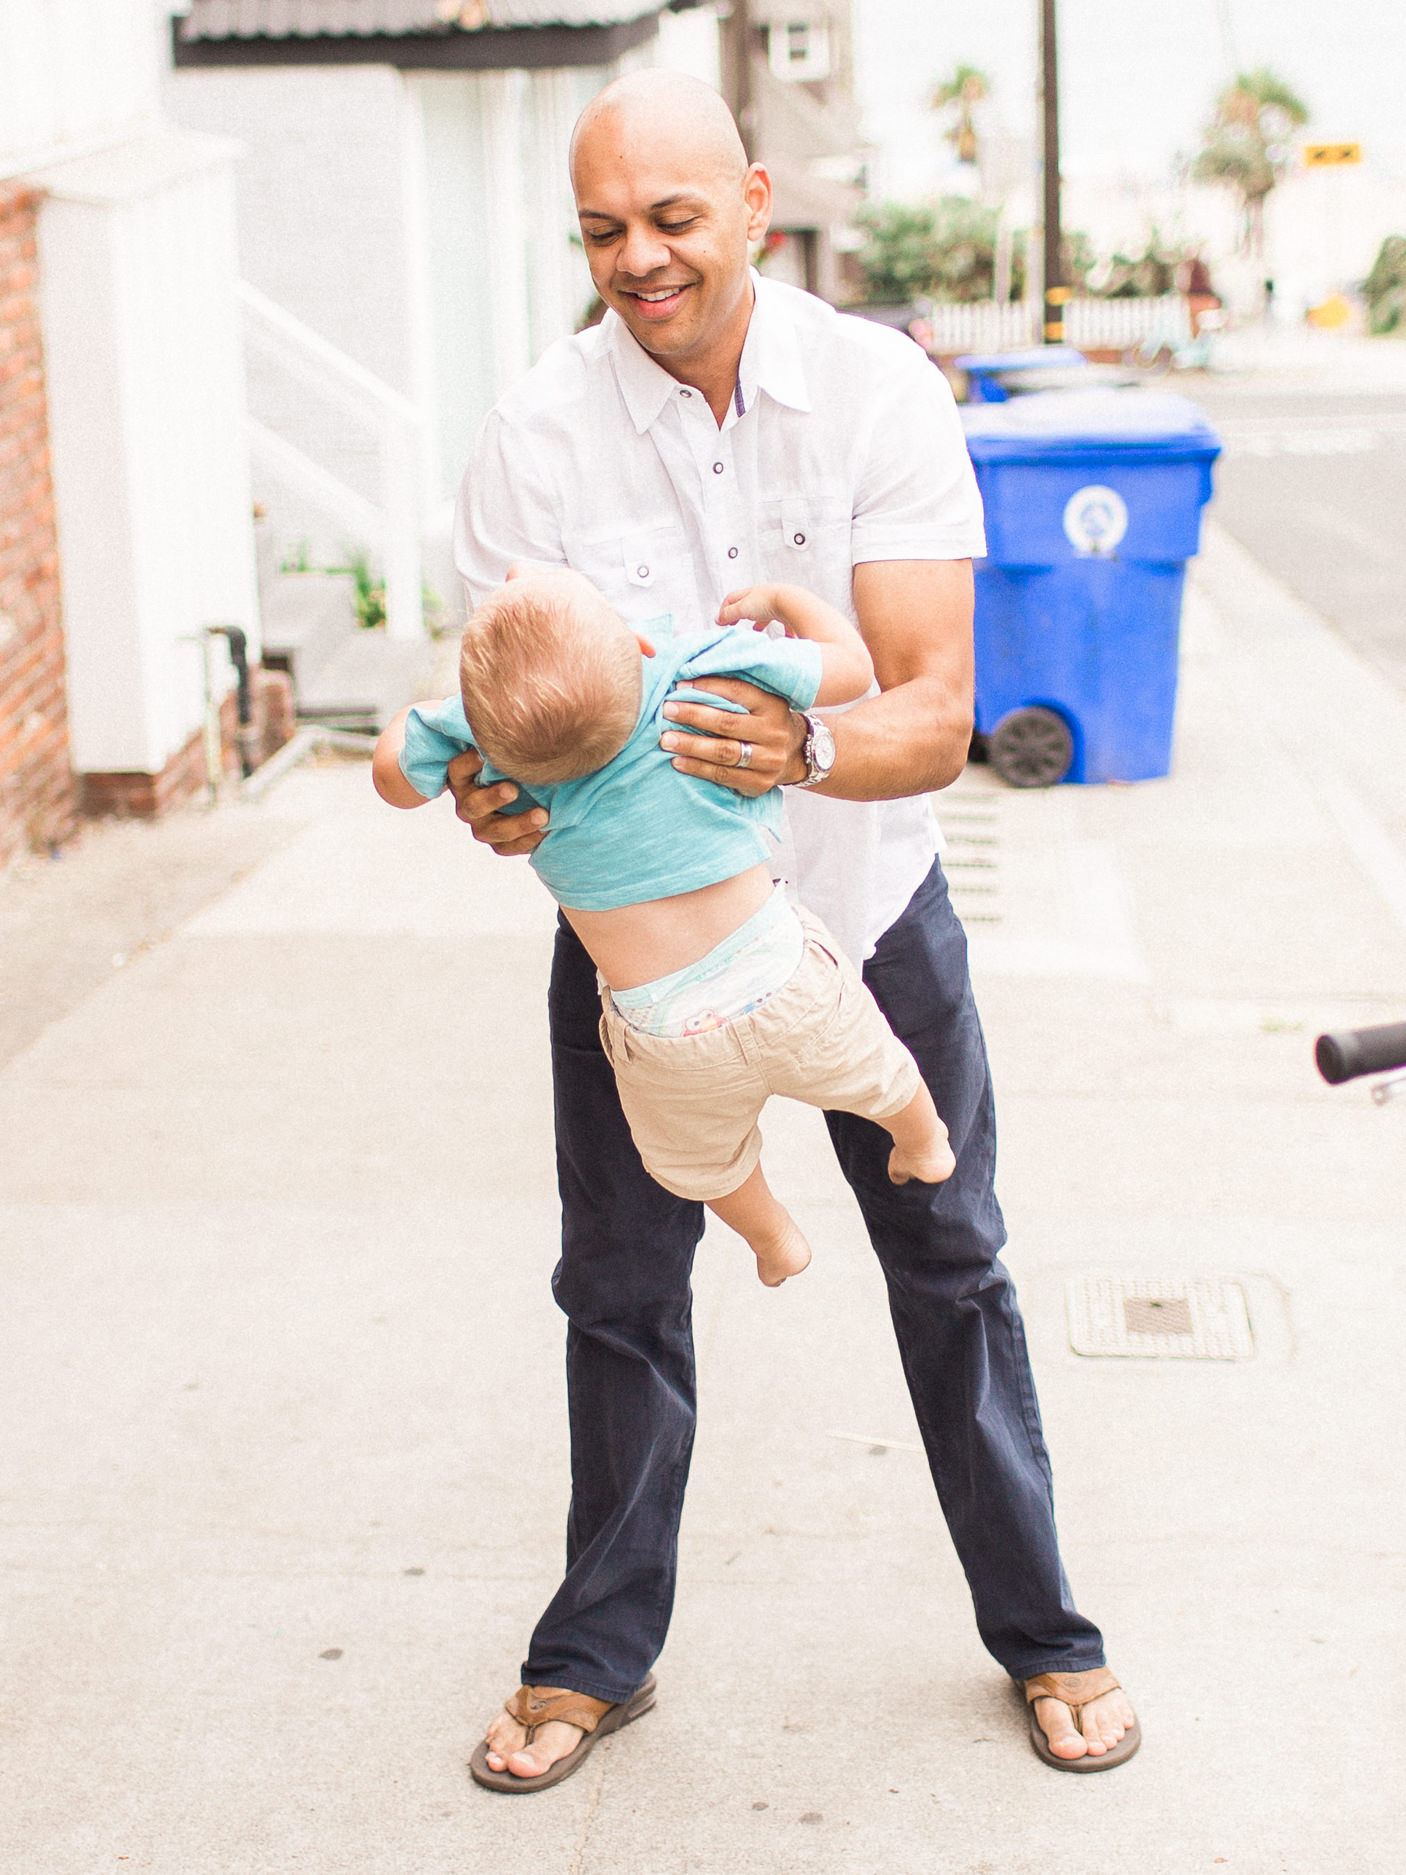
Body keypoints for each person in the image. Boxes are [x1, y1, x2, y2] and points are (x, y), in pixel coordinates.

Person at [447, 70, 1140, 1784]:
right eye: (604, 231)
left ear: (755, 202)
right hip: (640, 959)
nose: (640, 262)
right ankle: (596, 1652)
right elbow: (494, 754)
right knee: (616, 1289)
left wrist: (807, 744)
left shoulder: (875, 393)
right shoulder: (536, 436)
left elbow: (937, 709)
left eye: (674, 221)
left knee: (952, 1262)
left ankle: (1046, 1635)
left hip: (866, 916)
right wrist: (498, 799)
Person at [372, 566, 955, 1289]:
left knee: (699, 1161)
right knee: (877, 1067)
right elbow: (850, 667)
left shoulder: (495, 747)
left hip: (666, 1037)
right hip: (783, 974)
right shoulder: (696, 667)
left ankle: (774, 1238)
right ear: (641, 643)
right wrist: (783, 601)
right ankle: (923, 1141)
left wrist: (432, 716)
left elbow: (392, 779)